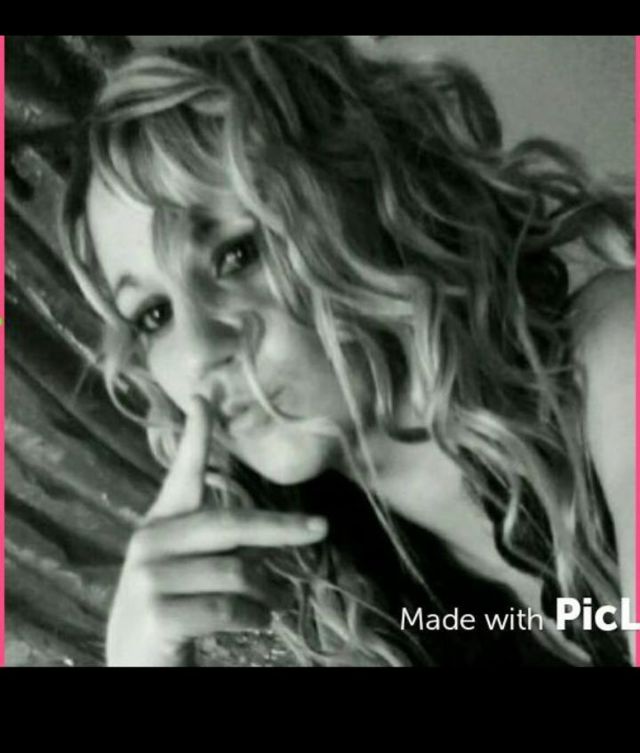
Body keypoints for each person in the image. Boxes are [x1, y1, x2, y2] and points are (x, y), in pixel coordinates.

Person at [59, 35, 636, 667]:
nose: (198, 354)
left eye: (235, 254)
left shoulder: (612, 349)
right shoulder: (345, 605)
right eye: (155, 314)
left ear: (354, 197)